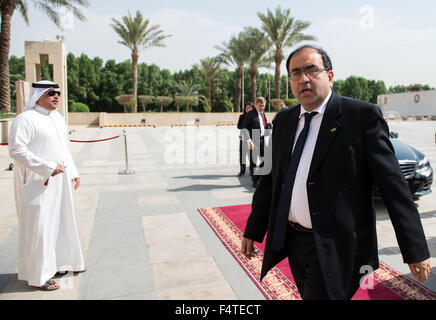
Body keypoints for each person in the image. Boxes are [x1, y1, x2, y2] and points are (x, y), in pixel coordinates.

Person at [240, 45, 431, 300]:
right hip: (293, 242)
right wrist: (253, 230)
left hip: (336, 246)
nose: (303, 79)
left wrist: (415, 248)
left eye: (311, 70)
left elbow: (393, 187)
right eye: (295, 73)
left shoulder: (360, 117)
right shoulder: (285, 120)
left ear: (330, 76)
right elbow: (270, 181)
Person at [9, 80, 85, 291]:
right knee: (40, 227)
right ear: (38, 95)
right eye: (51, 93)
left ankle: (61, 264)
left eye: (58, 93)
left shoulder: (58, 119)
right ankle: (39, 275)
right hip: (37, 183)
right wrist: (47, 167)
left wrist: (73, 172)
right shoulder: (25, 119)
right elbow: (16, 151)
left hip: (60, 182)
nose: (56, 97)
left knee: (61, 222)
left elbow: (64, 149)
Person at [242, 97, 270, 188]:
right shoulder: (250, 114)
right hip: (253, 140)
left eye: (263, 106)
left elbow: (263, 125)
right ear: (256, 104)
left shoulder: (263, 113)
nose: (262, 107)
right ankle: (255, 181)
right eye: (260, 106)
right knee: (253, 162)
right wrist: (248, 140)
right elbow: (244, 127)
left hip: (261, 139)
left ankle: (258, 176)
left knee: (266, 160)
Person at [237, 102, 254, 177]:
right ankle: (242, 171)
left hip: (251, 139)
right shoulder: (242, 116)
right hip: (243, 139)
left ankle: (251, 170)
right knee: (242, 156)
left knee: (251, 156)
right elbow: (239, 126)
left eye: (250, 108)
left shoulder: (254, 117)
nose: (248, 109)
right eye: (247, 108)